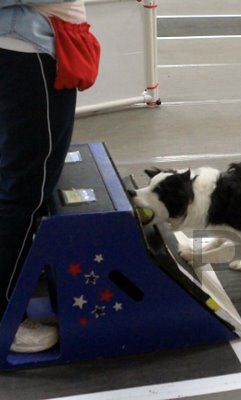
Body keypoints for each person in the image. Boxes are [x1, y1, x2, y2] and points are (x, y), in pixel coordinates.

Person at [0, 0, 98, 353]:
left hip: (26, 46)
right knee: (25, 190)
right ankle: (5, 320)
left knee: (21, 180)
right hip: (24, 52)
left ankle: (18, 271)